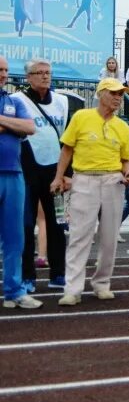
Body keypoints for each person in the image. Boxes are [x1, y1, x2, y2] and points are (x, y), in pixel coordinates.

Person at [49, 78, 129, 306]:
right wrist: (59, 177)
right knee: (79, 236)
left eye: (120, 94)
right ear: (101, 93)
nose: (118, 98)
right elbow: (67, 150)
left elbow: (125, 160)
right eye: (114, 93)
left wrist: (128, 172)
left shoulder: (122, 127)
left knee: (109, 238)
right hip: (84, 179)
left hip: (113, 180)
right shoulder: (81, 117)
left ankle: (102, 283)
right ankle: (72, 289)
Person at [11, 58, 68, 293]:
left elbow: (67, 140)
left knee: (57, 225)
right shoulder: (17, 100)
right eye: (39, 72)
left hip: (54, 172)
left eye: (48, 72)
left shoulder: (62, 102)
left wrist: (66, 173)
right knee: (25, 225)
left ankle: (58, 274)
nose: (45, 76)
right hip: (26, 171)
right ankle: (27, 277)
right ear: (28, 77)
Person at [0, 55, 41, 309]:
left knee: (15, 237)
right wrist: (12, 125)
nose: (3, 74)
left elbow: (29, 127)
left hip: (14, 175)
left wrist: (3, 122)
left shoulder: (14, 100)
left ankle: (14, 291)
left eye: (5, 70)